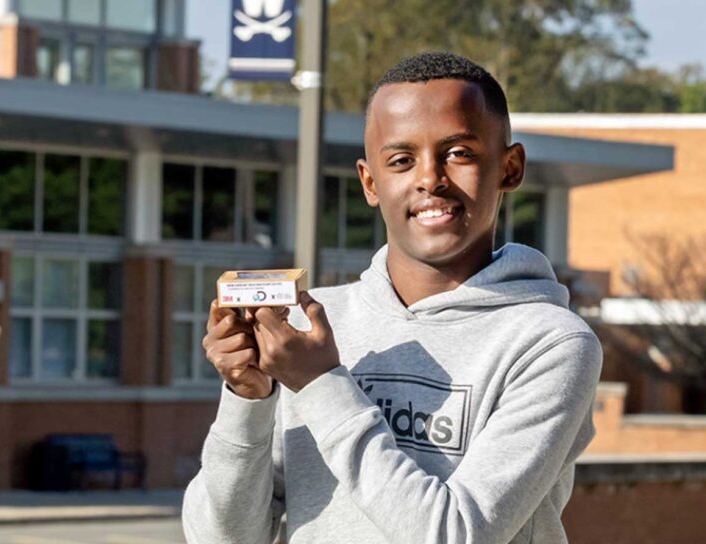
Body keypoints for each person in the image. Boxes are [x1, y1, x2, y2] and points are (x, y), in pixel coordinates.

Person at [183, 51, 603, 544]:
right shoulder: (314, 327)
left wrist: (320, 385)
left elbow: (455, 535)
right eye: (402, 160)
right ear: (369, 181)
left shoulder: (552, 344)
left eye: (459, 153)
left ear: (509, 168)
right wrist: (248, 398)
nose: (430, 178)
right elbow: (221, 537)